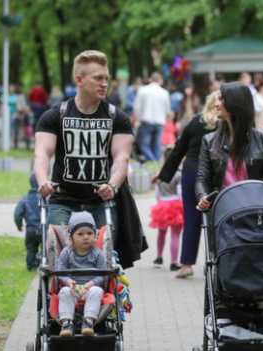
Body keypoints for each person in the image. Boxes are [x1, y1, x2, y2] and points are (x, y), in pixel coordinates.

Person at [34, 50, 143, 266]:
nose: (104, 83)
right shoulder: (55, 115)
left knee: (105, 262)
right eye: (98, 78)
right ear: (79, 80)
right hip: (62, 199)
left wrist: (112, 185)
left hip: (100, 202)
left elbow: (122, 158)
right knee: (56, 258)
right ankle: (58, 298)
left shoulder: (117, 118)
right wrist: (42, 181)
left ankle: (102, 299)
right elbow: (42, 153)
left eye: (106, 78)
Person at [153, 91, 219, 279]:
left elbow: (178, 149)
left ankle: (187, 265)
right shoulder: (227, 124)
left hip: (191, 172)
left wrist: (164, 175)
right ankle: (218, 262)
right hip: (215, 175)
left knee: (191, 219)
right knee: (219, 219)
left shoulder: (196, 122)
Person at [196, 82, 263, 212]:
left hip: (256, 212)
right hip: (222, 214)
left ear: (234, 103)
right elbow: (202, 178)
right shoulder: (209, 141)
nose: (216, 104)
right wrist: (202, 196)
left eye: (221, 99)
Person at [57, 211, 107, 337]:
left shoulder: (97, 253)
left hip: (89, 289)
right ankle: (67, 323)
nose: (85, 237)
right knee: (64, 292)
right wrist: (68, 282)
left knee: (97, 291)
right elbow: (60, 271)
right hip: (72, 288)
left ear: (95, 235)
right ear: (71, 237)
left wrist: (91, 283)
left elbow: (103, 274)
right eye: (80, 234)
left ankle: (88, 321)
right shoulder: (67, 253)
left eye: (89, 233)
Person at [150, 148, 183, 271]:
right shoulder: (179, 174)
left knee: (161, 233)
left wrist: (160, 204)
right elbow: (181, 194)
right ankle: (174, 262)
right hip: (176, 206)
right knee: (175, 235)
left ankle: (159, 257)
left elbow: (157, 194)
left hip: (162, 205)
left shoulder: (160, 174)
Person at [133, 72, 171, 161]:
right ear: (160, 81)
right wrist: (165, 118)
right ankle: (156, 165)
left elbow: (136, 107)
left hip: (146, 121)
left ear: (150, 79)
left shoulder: (143, 90)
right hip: (160, 122)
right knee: (157, 145)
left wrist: (138, 118)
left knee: (143, 145)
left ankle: (153, 162)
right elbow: (167, 110)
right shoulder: (164, 92)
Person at [14, 174, 42, 271]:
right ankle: (42, 262)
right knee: (46, 248)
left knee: (31, 248)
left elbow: (17, 214)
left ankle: (30, 266)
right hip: (44, 229)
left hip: (30, 229)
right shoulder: (46, 198)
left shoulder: (25, 198)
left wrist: (19, 225)